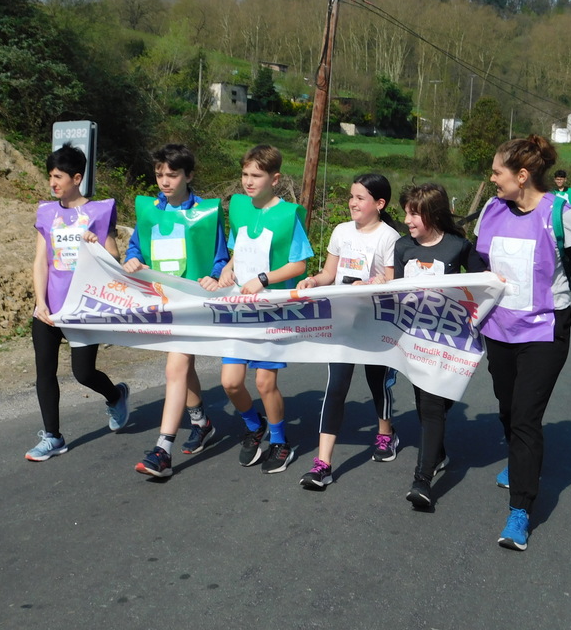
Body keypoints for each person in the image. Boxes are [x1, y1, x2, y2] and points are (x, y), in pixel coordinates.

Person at [476, 135, 571, 551]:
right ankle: (518, 459)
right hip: (499, 327)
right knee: (506, 405)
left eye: (497, 172)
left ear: (522, 176)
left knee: (525, 416)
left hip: (545, 330)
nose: (492, 179)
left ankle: (520, 510)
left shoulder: (561, 215)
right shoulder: (491, 209)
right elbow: (476, 261)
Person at [202, 145, 313, 473]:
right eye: (245, 174)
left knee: (265, 382)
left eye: (256, 176)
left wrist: (263, 279)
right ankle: (255, 426)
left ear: (274, 179)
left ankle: (279, 442)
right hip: (239, 309)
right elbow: (237, 249)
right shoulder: (238, 208)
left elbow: (299, 265)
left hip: (271, 310)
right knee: (230, 383)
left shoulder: (287, 216)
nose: (248, 181)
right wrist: (227, 269)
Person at [124, 144, 230, 477]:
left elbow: (220, 257)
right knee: (183, 367)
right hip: (162, 303)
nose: (165, 181)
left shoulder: (207, 213)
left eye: (172, 175)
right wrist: (132, 260)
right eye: (159, 175)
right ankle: (202, 423)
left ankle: (162, 450)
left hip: (193, 304)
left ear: (189, 175)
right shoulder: (149, 210)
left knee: (175, 368)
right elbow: (135, 248)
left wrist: (215, 276)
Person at [26, 144, 129, 461]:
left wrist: (97, 246)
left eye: (58, 177)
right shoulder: (47, 212)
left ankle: (115, 395)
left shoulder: (98, 212)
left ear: (77, 178)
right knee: (44, 372)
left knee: (83, 373)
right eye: (50, 176)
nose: (52, 183)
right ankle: (53, 437)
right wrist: (40, 302)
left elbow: (114, 259)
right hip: (50, 307)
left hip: (84, 307)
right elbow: (40, 261)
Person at [297, 174, 401, 489]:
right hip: (342, 323)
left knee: (377, 382)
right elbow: (329, 273)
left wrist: (377, 282)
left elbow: (394, 281)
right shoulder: (341, 231)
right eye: (351, 196)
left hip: (375, 323)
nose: (352, 203)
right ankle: (323, 463)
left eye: (360, 198)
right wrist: (312, 281)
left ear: (379, 204)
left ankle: (386, 433)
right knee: (336, 387)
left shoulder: (389, 237)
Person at [396, 183, 487, 509]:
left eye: (413, 214)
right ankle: (437, 453)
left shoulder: (457, 246)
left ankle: (422, 480)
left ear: (432, 214)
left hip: (448, 341)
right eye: (406, 213)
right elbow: (394, 290)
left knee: (433, 405)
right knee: (426, 405)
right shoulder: (403, 247)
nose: (406, 220)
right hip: (413, 340)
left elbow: (481, 284)